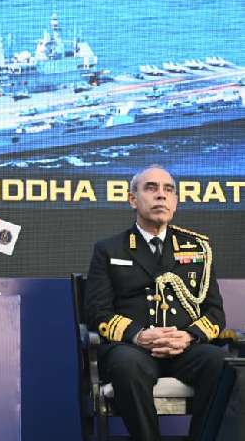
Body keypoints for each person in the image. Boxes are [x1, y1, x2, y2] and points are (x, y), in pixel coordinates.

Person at [85, 165, 227, 441]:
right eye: (151, 188)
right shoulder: (110, 249)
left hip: (184, 348)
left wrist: (188, 336)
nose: (161, 195)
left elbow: (214, 312)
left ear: (175, 201)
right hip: (133, 349)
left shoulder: (198, 248)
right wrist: (138, 335)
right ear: (133, 199)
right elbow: (97, 311)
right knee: (127, 364)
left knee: (220, 363)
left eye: (168, 190)